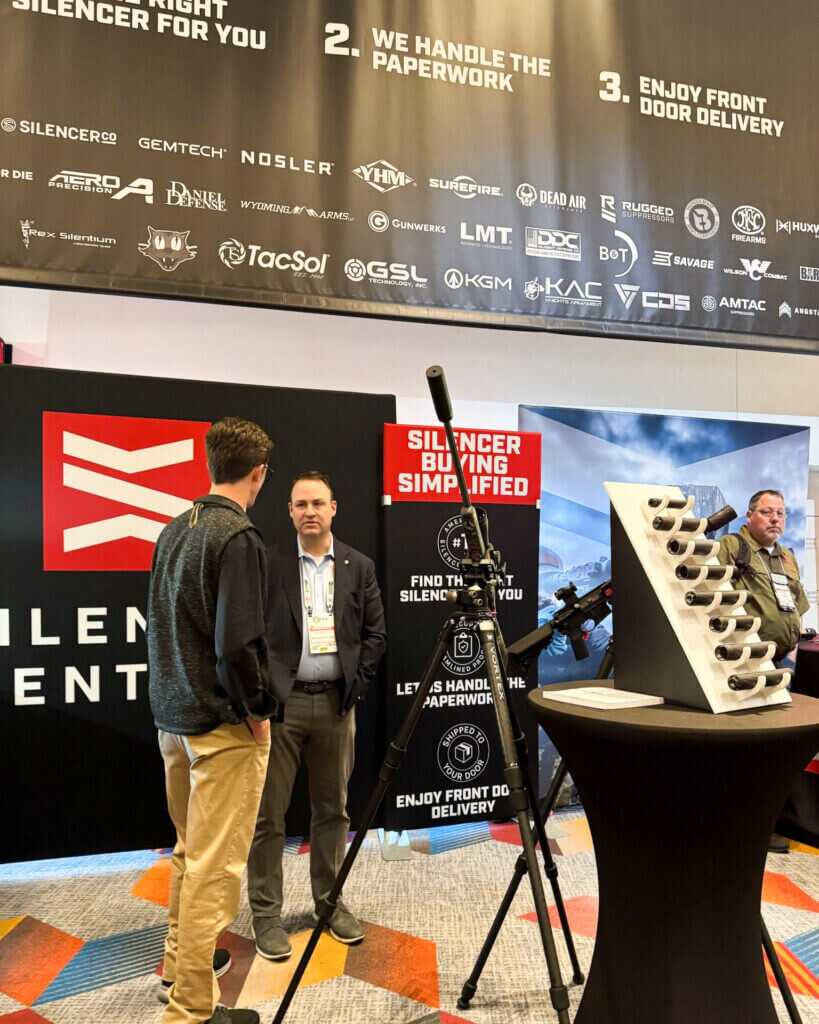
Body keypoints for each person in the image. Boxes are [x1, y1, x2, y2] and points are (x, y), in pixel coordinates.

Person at [147, 417, 277, 1024]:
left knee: (188, 853)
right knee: (214, 868)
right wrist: (259, 712)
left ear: (210, 463)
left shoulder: (175, 529)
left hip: (173, 720)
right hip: (221, 727)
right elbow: (238, 647)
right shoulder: (238, 536)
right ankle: (191, 1011)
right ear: (259, 474)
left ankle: (179, 971)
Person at [248, 471, 386, 960]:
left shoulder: (358, 566)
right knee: (269, 815)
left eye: (317, 503)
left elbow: (375, 635)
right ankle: (266, 916)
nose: (310, 511)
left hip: (335, 705)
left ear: (333, 509)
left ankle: (329, 904)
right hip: (281, 708)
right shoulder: (269, 564)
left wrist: (354, 686)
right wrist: (264, 693)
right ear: (289, 511)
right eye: (301, 504)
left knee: (333, 811)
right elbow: (251, 636)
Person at [718, 488, 809, 853]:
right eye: (767, 512)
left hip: (780, 662)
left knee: (771, 748)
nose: (775, 519)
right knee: (745, 747)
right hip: (746, 661)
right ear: (750, 515)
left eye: (781, 513)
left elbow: (796, 606)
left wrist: (793, 650)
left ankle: (765, 822)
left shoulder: (787, 557)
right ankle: (737, 822)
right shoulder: (732, 546)